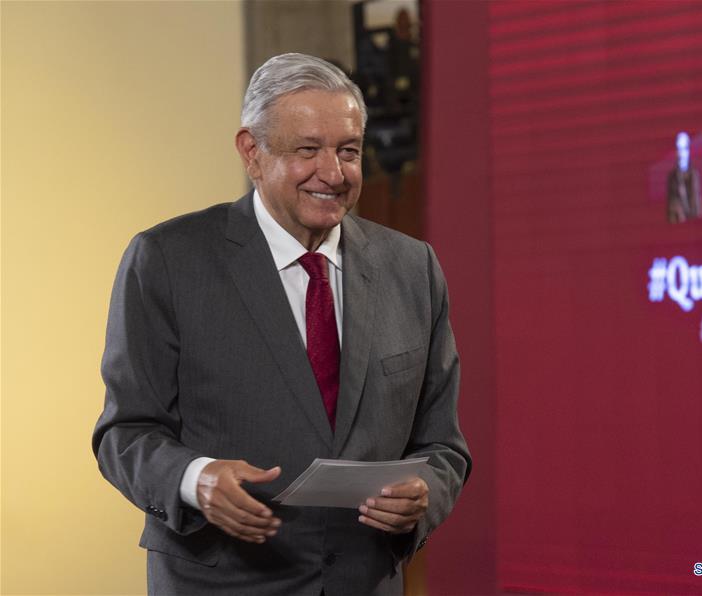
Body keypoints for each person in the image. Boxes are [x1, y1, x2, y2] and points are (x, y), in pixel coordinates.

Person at [92, 53, 471, 595]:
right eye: (308, 150)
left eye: (348, 152)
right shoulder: (168, 261)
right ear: (252, 152)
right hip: (222, 581)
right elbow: (123, 433)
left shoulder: (414, 268)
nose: (333, 174)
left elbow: (444, 446)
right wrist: (195, 480)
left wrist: (426, 491)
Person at [667, 131, 702, 223]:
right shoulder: (672, 178)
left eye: (684, 149)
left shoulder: (694, 175)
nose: (681, 154)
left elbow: (697, 206)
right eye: (679, 149)